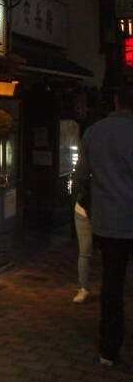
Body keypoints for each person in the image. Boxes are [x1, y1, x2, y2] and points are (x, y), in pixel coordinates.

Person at [74, 82, 133, 365]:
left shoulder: (95, 132)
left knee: (112, 285)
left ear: (117, 99)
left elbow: (81, 176)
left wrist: (89, 205)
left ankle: (108, 349)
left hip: (109, 223)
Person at [72, 186, 92, 304]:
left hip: (103, 212)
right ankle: (84, 287)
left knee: (85, 253)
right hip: (84, 211)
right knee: (85, 252)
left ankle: (84, 288)